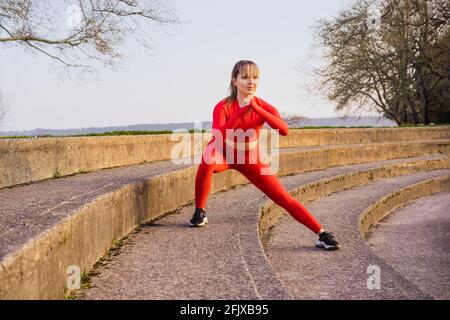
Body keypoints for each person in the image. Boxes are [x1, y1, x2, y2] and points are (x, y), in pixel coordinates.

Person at [190, 60, 340, 250]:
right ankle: (199, 212)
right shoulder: (223, 106)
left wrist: (258, 110)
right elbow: (219, 135)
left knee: (283, 198)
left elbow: (284, 130)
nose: (250, 81)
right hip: (223, 152)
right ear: (234, 81)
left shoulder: (264, 106)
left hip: (250, 158)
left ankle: (322, 234)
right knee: (207, 158)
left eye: (254, 77)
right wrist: (241, 113)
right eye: (244, 77)